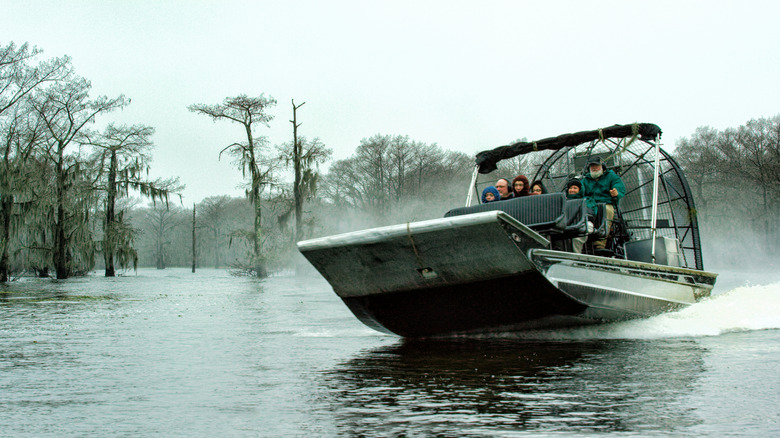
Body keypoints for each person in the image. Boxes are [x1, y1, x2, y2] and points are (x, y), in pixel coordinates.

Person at [580, 156, 626, 250]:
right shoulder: (585, 180)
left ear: (602, 166)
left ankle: (600, 243)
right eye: (592, 166)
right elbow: (580, 191)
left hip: (606, 204)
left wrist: (616, 193)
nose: (594, 168)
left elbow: (619, 188)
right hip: (589, 204)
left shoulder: (611, 177)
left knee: (606, 211)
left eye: (596, 166)